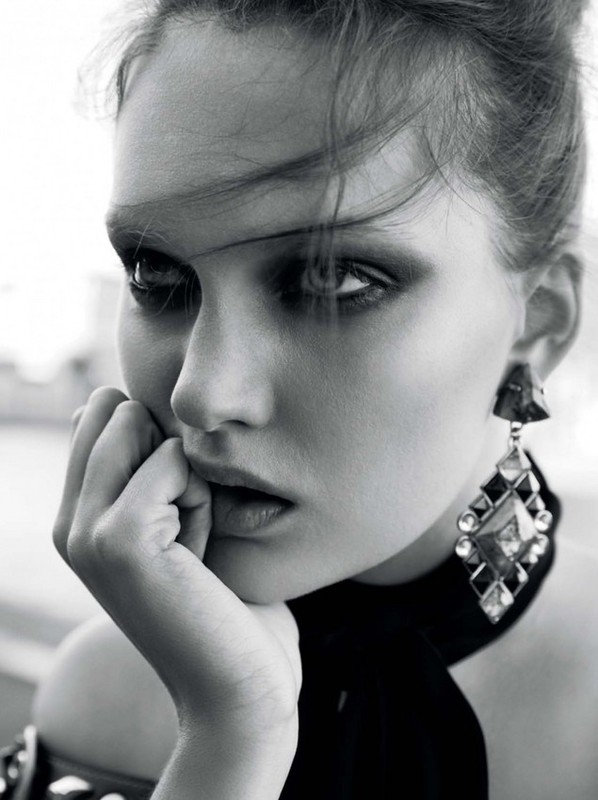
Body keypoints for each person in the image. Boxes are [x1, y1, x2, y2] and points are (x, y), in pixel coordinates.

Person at [2, 1, 596, 798]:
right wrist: (231, 737)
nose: (202, 392)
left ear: (540, 319)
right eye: (155, 273)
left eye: (334, 278)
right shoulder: (106, 699)